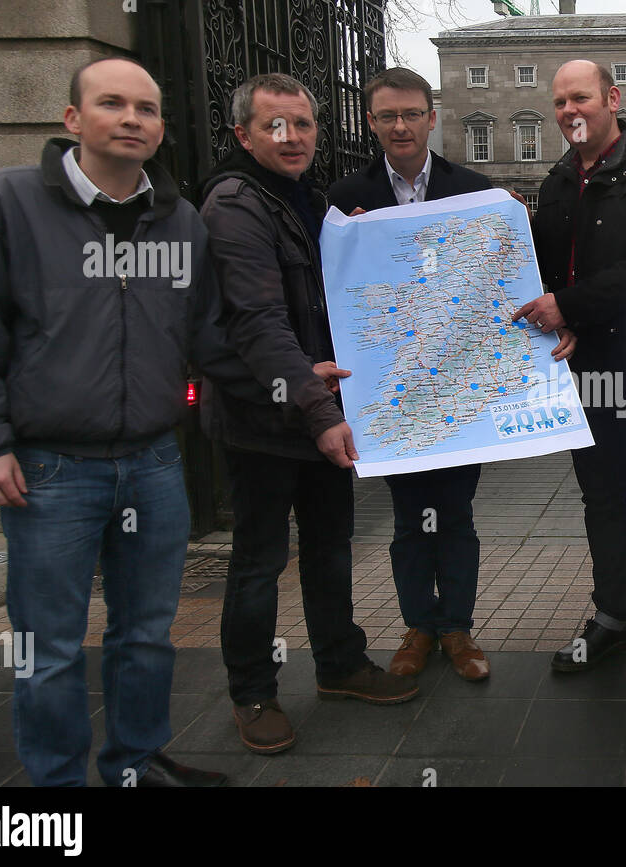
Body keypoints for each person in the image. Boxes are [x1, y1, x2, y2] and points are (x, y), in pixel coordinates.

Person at [0, 57, 240, 786]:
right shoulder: (6, 204)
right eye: (112, 104)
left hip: (154, 463)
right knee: (51, 646)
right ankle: (58, 786)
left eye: (147, 109)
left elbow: (210, 338)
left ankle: (134, 763)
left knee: (146, 634)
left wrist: (297, 377)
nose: (132, 119)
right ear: (74, 119)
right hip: (48, 470)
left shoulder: (181, 221)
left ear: (161, 128)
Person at [328, 68, 578, 681]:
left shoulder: (474, 189)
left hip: (463, 388)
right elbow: (333, 294)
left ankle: (459, 629)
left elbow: (515, 280)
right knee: (410, 516)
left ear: (431, 116)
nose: (401, 126)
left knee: (457, 512)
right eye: (387, 116)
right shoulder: (346, 197)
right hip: (395, 391)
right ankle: (418, 627)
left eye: (411, 114)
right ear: (371, 122)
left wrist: (511, 229)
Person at [200, 73, 417, 756]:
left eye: (303, 124)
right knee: (260, 561)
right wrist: (320, 410)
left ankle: (340, 665)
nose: (292, 137)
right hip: (265, 421)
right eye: (274, 125)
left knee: (329, 549)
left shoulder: (310, 202)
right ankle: (254, 691)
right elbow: (259, 324)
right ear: (244, 134)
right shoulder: (235, 204)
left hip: (320, 410)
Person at [514, 59, 626, 688]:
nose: (570, 112)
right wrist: (557, 310)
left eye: (580, 98)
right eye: (560, 102)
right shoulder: (558, 181)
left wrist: (570, 305)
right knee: (602, 499)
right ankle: (613, 619)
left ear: (611, 99)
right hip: (584, 370)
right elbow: (546, 270)